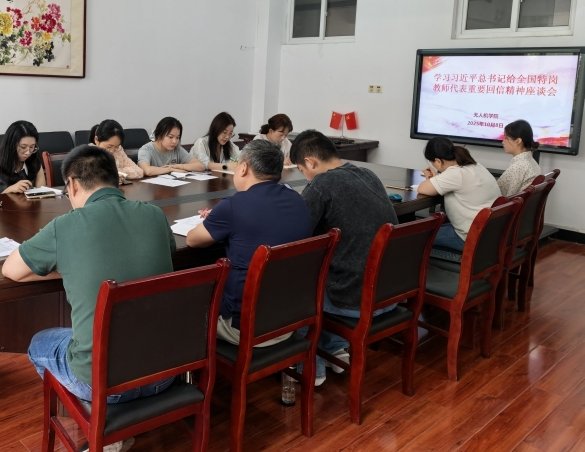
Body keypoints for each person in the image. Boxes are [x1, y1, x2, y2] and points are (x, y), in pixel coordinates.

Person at [2, 145, 177, 452]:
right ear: (117, 179)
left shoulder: (66, 226)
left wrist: (71, 265)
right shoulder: (155, 215)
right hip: (165, 373)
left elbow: (11, 270)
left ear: (71, 184)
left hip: (103, 383)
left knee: (39, 343)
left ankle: (103, 424)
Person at [290, 130, 399, 385]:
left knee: (296, 283)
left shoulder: (321, 184)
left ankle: (310, 367)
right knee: (341, 264)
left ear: (310, 162)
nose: (304, 176)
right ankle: (335, 349)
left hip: (356, 301)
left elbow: (296, 235)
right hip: (390, 292)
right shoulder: (367, 174)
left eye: (301, 170)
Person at [186, 140, 313, 348]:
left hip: (245, 327)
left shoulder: (233, 206)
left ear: (243, 168)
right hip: (290, 319)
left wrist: (219, 217)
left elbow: (193, 240)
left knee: (182, 304)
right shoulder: (297, 199)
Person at [417, 136, 501, 252]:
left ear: (438, 161)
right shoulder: (475, 165)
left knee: (414, 237)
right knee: (427, 228)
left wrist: (431, 179)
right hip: (489, 233)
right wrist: (436, 179)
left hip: (469, 238)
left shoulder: (455, 173)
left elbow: (422, 188)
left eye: (432, 163)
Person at [0, 120, 46, 195]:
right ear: (11, 145)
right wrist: (9, 191)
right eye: (23, 147)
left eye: (32, 147)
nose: (28, 152)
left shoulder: (35, 161)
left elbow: (42, 196)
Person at [137, 117, 205, 176]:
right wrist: (171, 169)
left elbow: (200, 166)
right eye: (170, 137)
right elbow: (147, 170)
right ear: (159, 135)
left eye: (177, 137)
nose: (174, 141)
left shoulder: (177, 149)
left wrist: (177, 166)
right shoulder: (146, 149)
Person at [498, 119, 541, 196]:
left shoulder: (518, 166)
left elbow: (498, 194)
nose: (503, 142)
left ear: (518, 141)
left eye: (506, 138)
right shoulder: (531, 162)